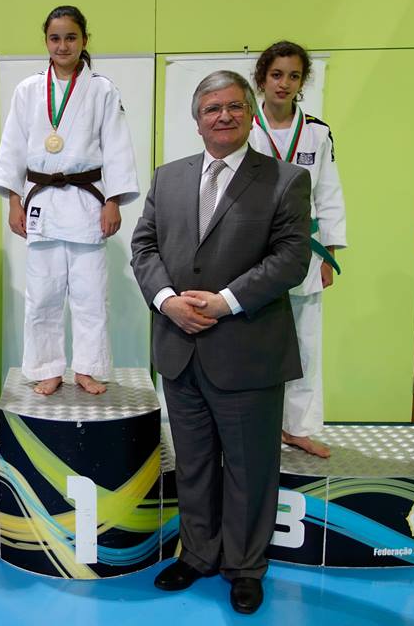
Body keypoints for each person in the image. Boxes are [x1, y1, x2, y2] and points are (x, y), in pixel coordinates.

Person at [131, 70, 310, 614]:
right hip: (180, 350)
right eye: (212, 109)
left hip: (247, 350)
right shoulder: (168, 178)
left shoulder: (283, 180)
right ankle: (200, 554)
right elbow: (143, 248)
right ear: (197, 119)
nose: (224, 116)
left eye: (234, 106)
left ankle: (245, 566)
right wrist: (168, 302)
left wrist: (225, 301)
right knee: (195, 462)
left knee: (251, 467)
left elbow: (291, 259)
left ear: (251, 112)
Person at [0, 5, 140, 396]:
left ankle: (88, 368)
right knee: (43, 294)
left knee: (90, 294)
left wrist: (114, 200)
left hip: (88, 201)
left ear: (84, 40)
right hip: (41, 202)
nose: (63, 45)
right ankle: (47, 366)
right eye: (55, 38)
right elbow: (12, 149)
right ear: (46, 41)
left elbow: (118, 148)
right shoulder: (27, 91)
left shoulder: (103, 89)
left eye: (71, 37)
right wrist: (13, 200)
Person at [250, 41, 348, 458]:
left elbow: (329, 193)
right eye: (276, 75)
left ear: (302, 81)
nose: (284, 84)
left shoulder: (317, 132)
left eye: (293, 76)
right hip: (252, 246)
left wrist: (329, 250)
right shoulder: (244, 129)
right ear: (262, 79)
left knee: (306, 339)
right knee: (255, 341)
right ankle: (256, 426)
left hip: (303, 247)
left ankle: (300, 427)